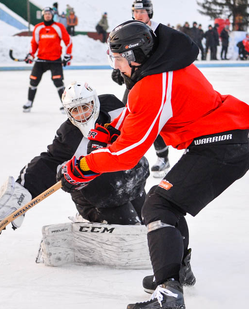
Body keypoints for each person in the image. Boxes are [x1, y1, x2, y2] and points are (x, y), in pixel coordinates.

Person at [60, 20, 249, 308]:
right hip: (228, 133)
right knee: (168, 202)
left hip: (222, 144)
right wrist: (112, 129)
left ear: (135, 56)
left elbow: (127, 155)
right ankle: (177, 271)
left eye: (120, 58)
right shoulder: (170, 63)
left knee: (158, 205)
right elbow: (142, 113)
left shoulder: (152, 85)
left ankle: (169, 292)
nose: (117, 66)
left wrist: (82, 166)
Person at [0, 81, 150, 234]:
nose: (81, 114)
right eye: (75, 110)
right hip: (99, 199)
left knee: (149, 224)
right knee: (134, 232)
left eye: (85, 107)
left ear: (94, 102)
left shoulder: (114, 106)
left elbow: (142, 105)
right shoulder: (69, 135)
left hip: (132, 185)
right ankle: (87, 217)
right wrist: (22, 190)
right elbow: (49, 162)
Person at [111, 0, 170, 178]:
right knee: (125, 115)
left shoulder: (160, 30)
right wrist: (118, 70)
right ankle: (127, 157)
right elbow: (118, 50)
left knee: (153, 120)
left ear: (149, 12)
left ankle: (163, 157)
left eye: (142, 11)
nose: (139, 15)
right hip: (134, 80)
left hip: (153, 83)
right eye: (136, 11)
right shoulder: (128, 27)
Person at [22, 7, 72, 113]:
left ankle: (65, 105)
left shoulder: (59, 27)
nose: (48, 16)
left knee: (58, 82)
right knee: (33, 80)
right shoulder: (38, 28)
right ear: (43, 15)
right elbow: (34, 43)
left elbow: (68, 41)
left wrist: (68, 55)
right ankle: (29, 102)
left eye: (49, 14)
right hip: (41, 60)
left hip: (55, 60)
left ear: (52, 15)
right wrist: (31, 55)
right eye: (46, 14)